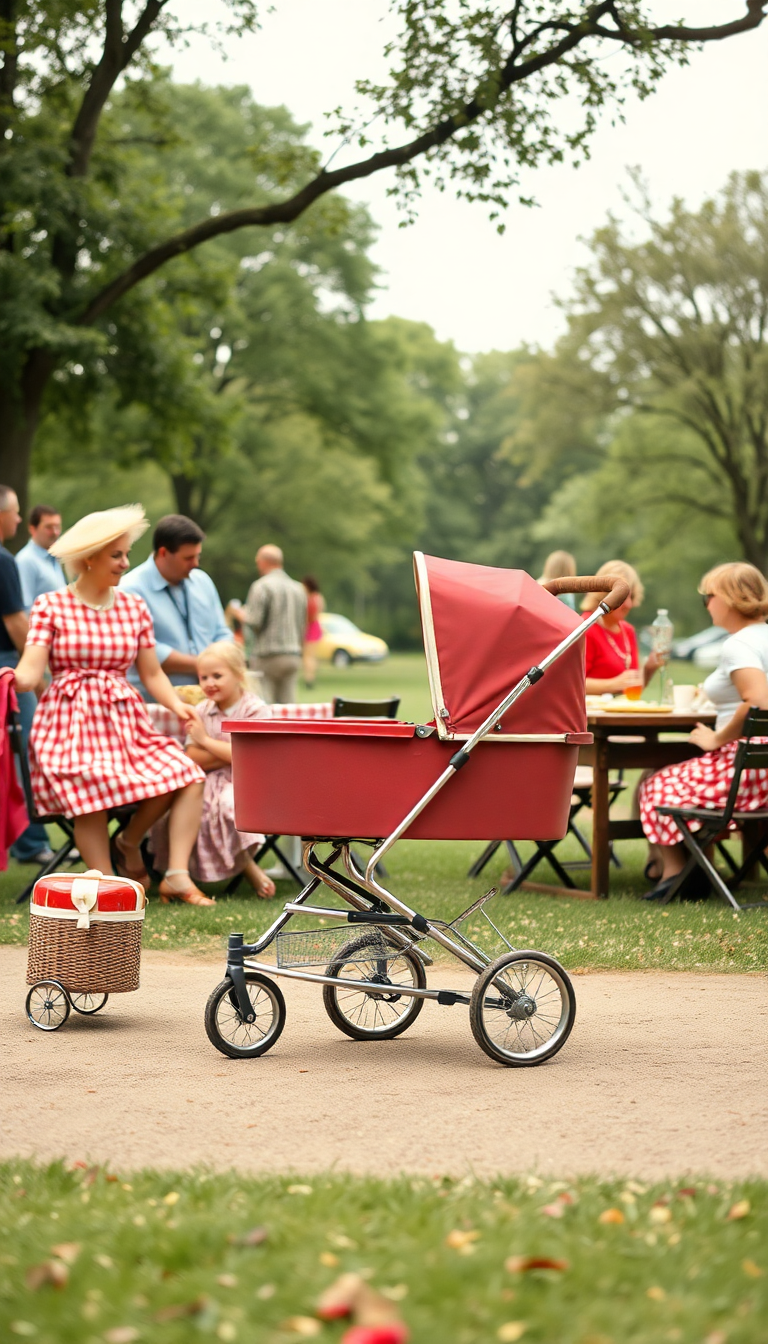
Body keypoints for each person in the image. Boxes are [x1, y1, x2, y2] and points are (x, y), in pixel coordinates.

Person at [13, 504, 215, 906]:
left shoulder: (132, 606)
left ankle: (146, 852)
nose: (125, 563)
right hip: (68, 726)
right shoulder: (51, 605)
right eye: (116, 555)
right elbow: (30, 673)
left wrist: (177, 705)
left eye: (126, 554)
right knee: (90, 788)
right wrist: (9, 680)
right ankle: (106, 889)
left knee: (186, 773)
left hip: (124, 723)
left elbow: (152, 673)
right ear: (89, 557)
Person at [639, 562, 768, 901]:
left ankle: (675, 874)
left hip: (747, 770)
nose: (707, 604)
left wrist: (716, 738)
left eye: (707, 597)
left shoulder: (737, 645)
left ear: (727, 599)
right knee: (673, 778)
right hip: (764, 768)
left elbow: (759, 699)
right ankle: (691, 867)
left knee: (656, 784)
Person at [149, 642, 277, 896]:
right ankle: (241, 866)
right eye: (203, 677)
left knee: (230, 807)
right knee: (192, 808)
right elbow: (193, 757)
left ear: (239, 675)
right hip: (204, 780)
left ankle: (245, 865)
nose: (209, 683)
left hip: (247, 782)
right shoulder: (201, 710)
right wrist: (233, 752)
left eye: (217, 676)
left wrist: (207, 742)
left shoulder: (254, 710)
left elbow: (253, 761)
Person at [122, 514, 232, 700]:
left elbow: (222, 632)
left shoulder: (202, 581)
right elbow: (140, 650)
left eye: (197, 556)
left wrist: (222, 659)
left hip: (208, 701)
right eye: (188, 558)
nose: (195, 564)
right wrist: (207, 665)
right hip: (155, 703)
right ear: (163, 553)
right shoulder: (130, 589)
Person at [0, 485, 53, 865]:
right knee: (31, 748)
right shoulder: (5, 560)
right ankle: (31, 842)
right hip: (10, 666)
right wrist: (40, 675)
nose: (18, 519)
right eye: (14, 512)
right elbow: (18, 622)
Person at [581, 559, 663, 695]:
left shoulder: (627, 630)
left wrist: (649, 669)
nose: (629, 605)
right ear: (605, 594)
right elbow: (571, 684)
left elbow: (632, 690)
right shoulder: (585, 627)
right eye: (624, 597)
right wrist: (613, 684)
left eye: (632, 597)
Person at [238, 544, 307, 704]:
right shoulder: (298, 588)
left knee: (265, 705)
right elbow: (303, 623)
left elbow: (255, 621)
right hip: (293, 653)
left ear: (263, 562)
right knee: (288, 707)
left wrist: (242, 614)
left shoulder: (261, 586)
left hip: (268, 654)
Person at [16, 504, 66, 611]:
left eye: (57, 527)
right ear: (32, 529)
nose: (55, 532)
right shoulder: (26, 561)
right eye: (49, 527)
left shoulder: (54, 557)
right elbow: (25, 607)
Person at [302, 574, 325, 688]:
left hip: (309, 627)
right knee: (312, 656)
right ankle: (311, 676)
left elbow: (310, 616)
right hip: (316, 627)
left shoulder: (310, 598)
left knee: (308, 656)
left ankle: (309, 678)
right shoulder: (319, 597)